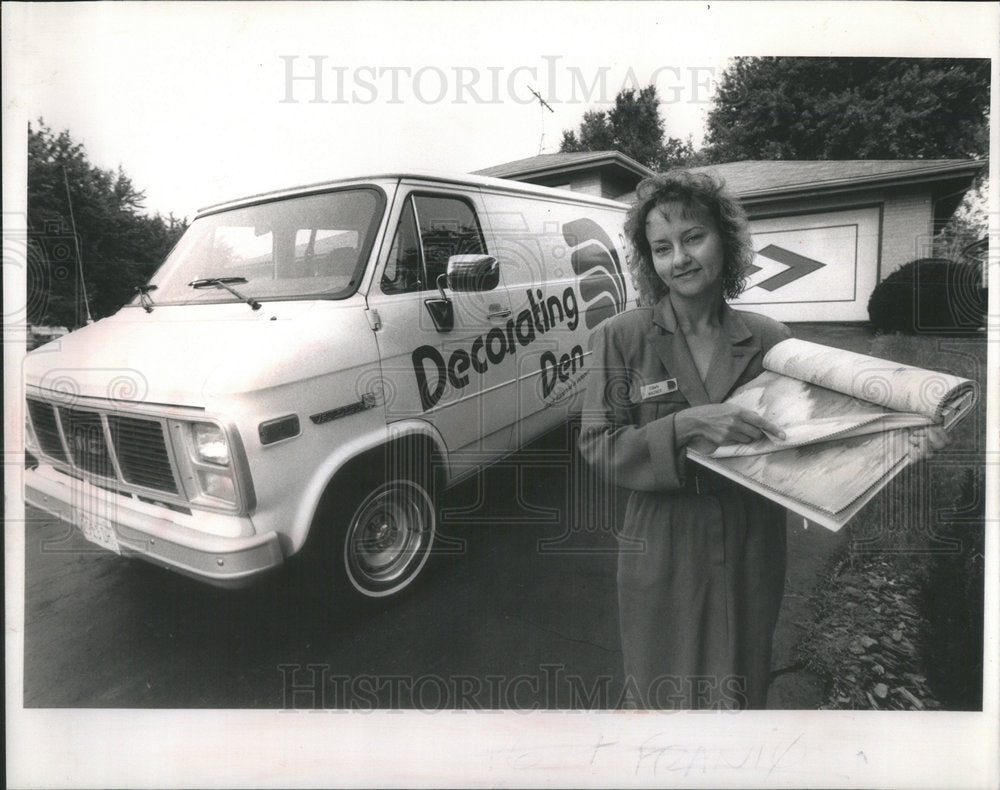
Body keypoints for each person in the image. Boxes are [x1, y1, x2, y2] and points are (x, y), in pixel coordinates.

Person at [579, 170, 949, 710]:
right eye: (662, 248)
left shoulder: (771, 339)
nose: (679, 257)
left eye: (693, 238)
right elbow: (598, 445)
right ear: (649, 261)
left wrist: (901, 443)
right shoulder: (622, 337)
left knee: (739, 681)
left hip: (751, 535)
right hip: (660, 540)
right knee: (660, 688)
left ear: (726, 242)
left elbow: (817, 432)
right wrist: (683, 425)